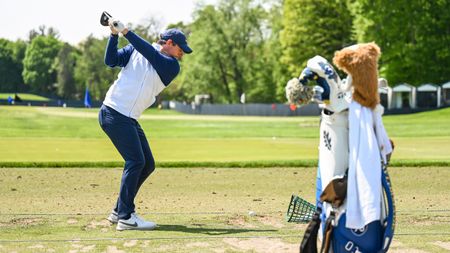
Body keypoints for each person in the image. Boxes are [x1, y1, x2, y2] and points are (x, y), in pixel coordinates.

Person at [98, 17, 192, 231]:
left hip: (127, 117)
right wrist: (114, 35)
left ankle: (118, 210)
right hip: (114, 111)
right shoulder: (134, 49)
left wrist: (126, 32)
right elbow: (110, 60)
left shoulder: (171, 66)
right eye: (180, 49)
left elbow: (150, 54)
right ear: (168, 43)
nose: (182, 54)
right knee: (135, 161)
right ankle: (126, 217)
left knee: (147, 163)